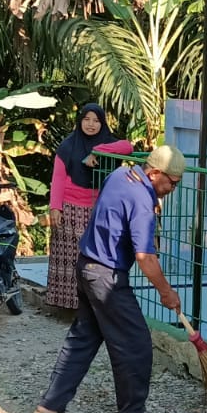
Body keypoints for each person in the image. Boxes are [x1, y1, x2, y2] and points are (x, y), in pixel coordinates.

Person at [34, 145, 185, 413]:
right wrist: (166, 292)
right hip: (107, 277)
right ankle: (133, 411)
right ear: (154, 174)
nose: (174, 188)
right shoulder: (142, 202)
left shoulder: (119, 176)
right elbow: (145, 257)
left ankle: (51, 404)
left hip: (86, 265)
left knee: (85, 337)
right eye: (173, 183)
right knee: (135, 342)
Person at [46, 104, 133, 312]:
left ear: (102, 123)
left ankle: (91, 303)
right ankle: (67, 305)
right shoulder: (68, 146)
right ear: (80, 121)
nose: (91, 125)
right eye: (87, 119)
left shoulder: (109, 143)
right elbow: (58, 178)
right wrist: (55, 207)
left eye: (96, 120)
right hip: (70, 208)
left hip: (96, 208)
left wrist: (98, 150)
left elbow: (127, 147)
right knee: (69, 258)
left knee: (93, 258)